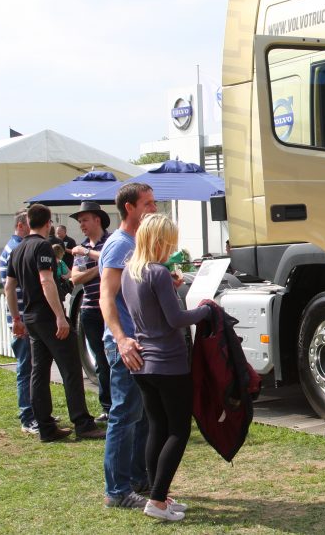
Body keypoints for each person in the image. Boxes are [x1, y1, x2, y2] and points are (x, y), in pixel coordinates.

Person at [122, 214, 210, 521]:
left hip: (143, 364)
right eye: (170, 241)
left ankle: (159, 494)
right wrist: (205, 310)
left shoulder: (130, 272)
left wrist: (170, 289)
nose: (172, 247)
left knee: (157, 428)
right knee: (178, 430)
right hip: (168, 362)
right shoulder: (157, 272)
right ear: (159, 241)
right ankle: (157, 500)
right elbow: (175, 320)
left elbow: (151, 310)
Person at [4, 203, 105, 443]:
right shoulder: (43, 246)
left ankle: (46, 426)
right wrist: (60, 316)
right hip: (47, 315)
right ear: (48, 223)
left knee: (38, 372)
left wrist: (16, 317)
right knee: (70, 369)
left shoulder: (17, 250)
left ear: (28, 222)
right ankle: (83, 423)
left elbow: (9, 287)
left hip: (30, 317)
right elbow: (46, 281)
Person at [98, 182, 158, 509]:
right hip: (127, 346)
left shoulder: (137, 243)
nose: (154, 208)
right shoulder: (120, 245)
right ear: (129, 208)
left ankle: (137, 478)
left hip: (142, 343)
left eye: (154, 202)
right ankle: (117, 491)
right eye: (148, 204)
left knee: (143, 415)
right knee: (125, 414)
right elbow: (106, 296)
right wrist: (121, 340)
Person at [70, 201, 113, 422]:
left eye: (84, 220)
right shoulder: (81, 246)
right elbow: (74, 277)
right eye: (79, 222)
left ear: (98, 219)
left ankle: (122, 402)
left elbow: (114, 260)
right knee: (100, 360)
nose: (82, 225)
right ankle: (107, 406)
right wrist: (102, 268)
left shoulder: (111, 241)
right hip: (89, 309)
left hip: (111, 308)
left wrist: (91, 256)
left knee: (116, 356)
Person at [0, 211, 36, 434]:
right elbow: (9, 288)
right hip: (21, 317)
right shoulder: (15, 249)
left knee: (31, 367)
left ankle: (35, 411)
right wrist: (16, 319)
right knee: (25, 368)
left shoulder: (15, 246)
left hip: (22, 316)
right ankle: (27, 416)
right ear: (21, 226)